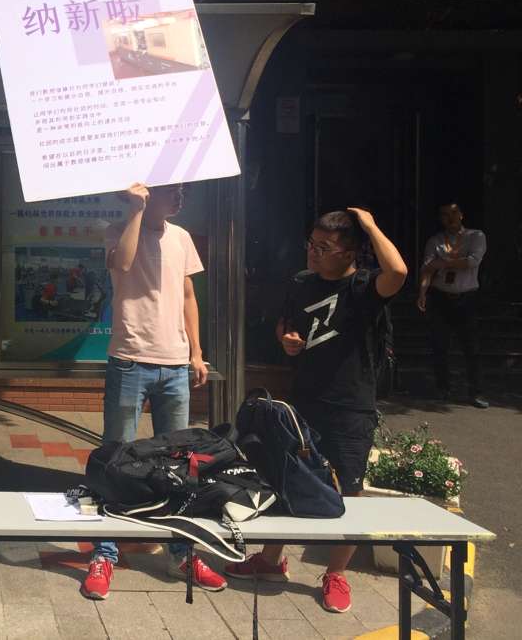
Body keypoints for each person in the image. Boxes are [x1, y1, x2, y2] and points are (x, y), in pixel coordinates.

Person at [225, 209, 407, 614]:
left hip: (351, 406)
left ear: (350, 253)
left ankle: (336, 573)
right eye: (311, 244)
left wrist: (370, 225)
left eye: (324, 247)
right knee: (288, 476)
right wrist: (287, 338)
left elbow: (398, 271)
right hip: (303, 399)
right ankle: (270, 561)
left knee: (349, 492)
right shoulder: (301, 282)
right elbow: (285, 323)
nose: (313, 252)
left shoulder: (364, 287)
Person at [81, 182, 218, 601]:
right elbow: (122, 264)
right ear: (148, 192)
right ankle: (105, 553)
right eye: (171, 191)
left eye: (182, 191)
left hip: (175, 365)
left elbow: (189, 296)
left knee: (179, 464)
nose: (179, 198)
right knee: (116, 459)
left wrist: (196, 352)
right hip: (129, 360)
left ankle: (181, 552)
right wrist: (137, 210)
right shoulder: (118, 230)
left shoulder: (182, 237)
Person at [417, 202, 488, 408]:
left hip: (467, 297)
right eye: (445, 214)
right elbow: (427, 269)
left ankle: (476, 392)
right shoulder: (435, 241)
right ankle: (443, 388)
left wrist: (441, 263)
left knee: (472, 347)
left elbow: (472, 261)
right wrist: (422, 292)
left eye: (454, 213)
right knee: (439, 345)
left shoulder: (476, 236)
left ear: (462, 215)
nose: (450, 218)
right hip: (441, 297)